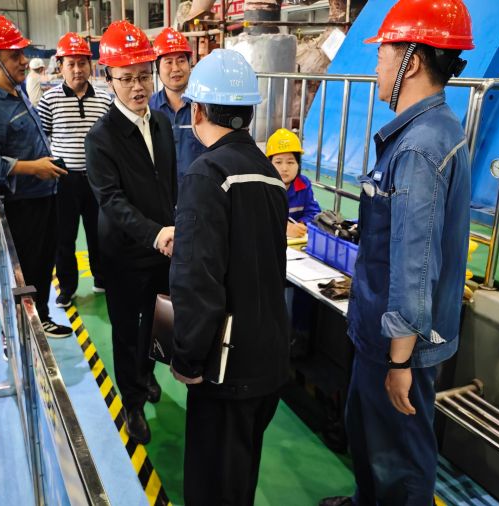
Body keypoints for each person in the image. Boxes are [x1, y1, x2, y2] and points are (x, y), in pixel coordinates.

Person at [319, 1, 474, 504]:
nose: (377, 66)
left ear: (412, 61)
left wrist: (400, 362)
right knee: (369, 438)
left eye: (383, 54)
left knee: (399, 460)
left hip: (396, 345)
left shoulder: (418, 149)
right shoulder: (434, 130)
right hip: (382, 334)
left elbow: (415, 262)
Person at [169, 48, 290, 506]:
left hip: (225, 367)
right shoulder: (269, 174)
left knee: (213, 488)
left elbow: (196, 282)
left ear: (197, 110)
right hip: (268, 359)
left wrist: (187, 358)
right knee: (239, 480)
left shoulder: (207, 173)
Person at [85, 20, 177, 445]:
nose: (138, 87)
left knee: (158, 322)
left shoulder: (161, 124)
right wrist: (155, 233)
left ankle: (147, 373)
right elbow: (111, 201)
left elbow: (170, 183)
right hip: (124, 252)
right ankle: (133, 402)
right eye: (127, 78)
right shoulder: (101, 137)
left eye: (144, 75)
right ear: (109, 79)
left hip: (163, 247)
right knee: (126, 330)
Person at [0, 14, 73, 337]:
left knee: (42, 264)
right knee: (28, 268)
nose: (24, 61)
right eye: (14, 55)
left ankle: (40, 316)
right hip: (24, 204)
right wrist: (32, 167)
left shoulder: (14, 90)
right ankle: (24, 331)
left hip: (43, 194)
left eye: (22, 53)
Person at [36, 33, 111, 306]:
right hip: (64, 180)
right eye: (71, 64)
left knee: (98, 233)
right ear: (61, 66)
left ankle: (102, 278)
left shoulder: (105, 100)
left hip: (96, 180)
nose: (77, 69)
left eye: (82, 63)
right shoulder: (49, 100)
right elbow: (41, 139)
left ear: (90, 65)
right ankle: (67, 288)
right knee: (64, 237)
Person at [149, 27, 206, 185]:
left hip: (198, 191)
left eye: (181, 60)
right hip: (161, 192)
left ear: (189, 64)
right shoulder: (148, 108)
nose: (176, 68)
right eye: (168, 62)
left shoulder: (205, 106)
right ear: (157, 67)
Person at [266, 127, 321, 238]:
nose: (284, 168)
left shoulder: (304, 184)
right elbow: (253, 218)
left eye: (290, 162)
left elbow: (314, 213)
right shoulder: (262, 187)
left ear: (298, 165)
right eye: (278, 162)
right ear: (268, 164)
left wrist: (302, 224)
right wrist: (282, 228)